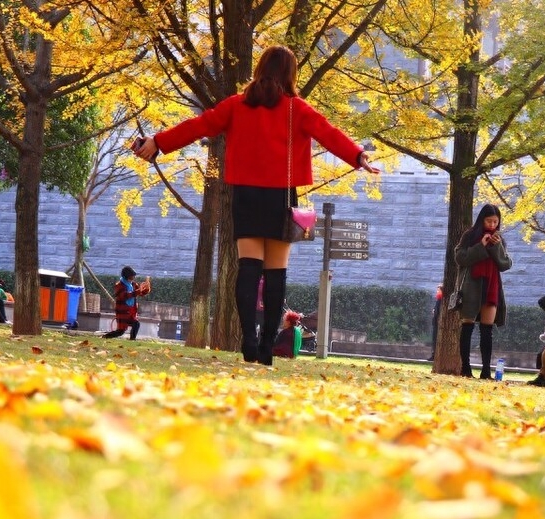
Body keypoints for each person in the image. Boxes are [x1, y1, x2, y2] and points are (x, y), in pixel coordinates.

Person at [131, 45, 379, 365]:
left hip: (245, 195)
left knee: (248, 269)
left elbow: (199, 125)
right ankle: (266, 348)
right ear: (290, 74)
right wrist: (358, 156)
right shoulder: (297, 109)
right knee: (276, 274)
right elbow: (328, 133)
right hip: (280, 197)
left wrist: (158, 142)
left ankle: (248, 338)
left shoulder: (236, 105)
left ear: (260, 68)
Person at [453, 204, 512, 379]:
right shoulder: (470, 235)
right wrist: (481, 245)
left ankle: (486, 371)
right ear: (482, 220)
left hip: (491, 286)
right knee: (467, 326)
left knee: (487, 329)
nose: (492, 225)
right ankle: (465, 368)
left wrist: (496, 247)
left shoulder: (499, 240)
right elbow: (460, 258)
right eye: (489, 221)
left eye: (495, 221)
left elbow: (506, 264)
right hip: (471, 286)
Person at [103, 267, 149, 340]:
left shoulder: (133, 284)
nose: (134, 277)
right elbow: (124, 296)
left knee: (136, 324)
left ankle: (132, 340)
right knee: (120, 331)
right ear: (127, 275)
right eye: (132, 275)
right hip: (122, 312)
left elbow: (141, 293)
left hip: (131, 312)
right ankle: (105, 337)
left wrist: (146, 288)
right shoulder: (119, 285)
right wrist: (137, 291)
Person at [429, 283, 443, 361]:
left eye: (438, 290)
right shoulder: (438, 299)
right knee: (435, 339)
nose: (437, 291)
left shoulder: (441, 300)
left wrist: (435, 312)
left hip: (438, 323)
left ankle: (434, 355)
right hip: (436, 322)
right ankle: (434, 354)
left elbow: (438, 311)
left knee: (436, 339)